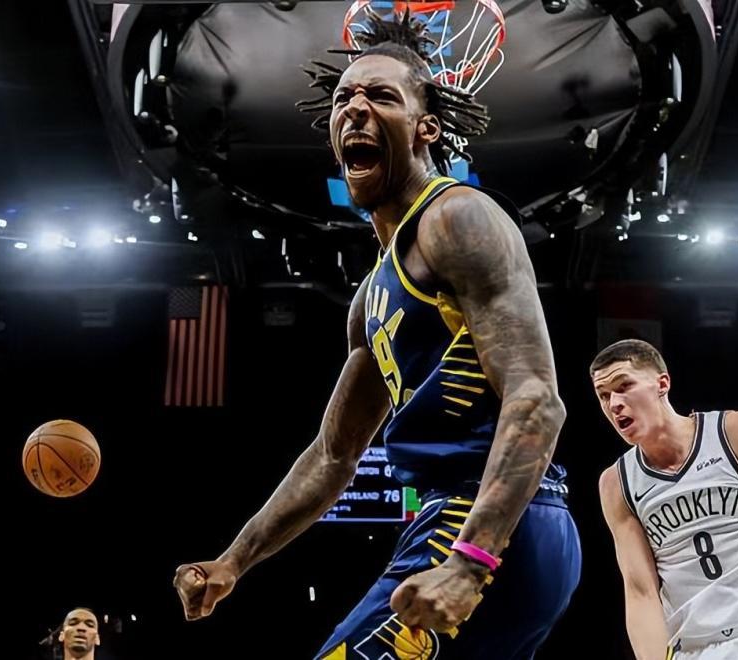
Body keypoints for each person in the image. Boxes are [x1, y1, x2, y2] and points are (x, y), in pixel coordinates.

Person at [175, 10, 581, 658]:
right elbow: (334, 456)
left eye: (382, 96)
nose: (356, 109)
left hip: (486, 515)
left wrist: (471, 560)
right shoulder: (370, 296)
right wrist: (234, 559)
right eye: (345, 99)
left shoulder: (457, 218)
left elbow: (537, 398)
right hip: (502, 523)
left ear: (427, 127)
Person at [593, 339, 738, 659]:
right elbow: (641, 592)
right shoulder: (616, 483)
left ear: (662, 384)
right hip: (693, 647)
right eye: (603, 395)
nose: (614, 403)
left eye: (624, 386)